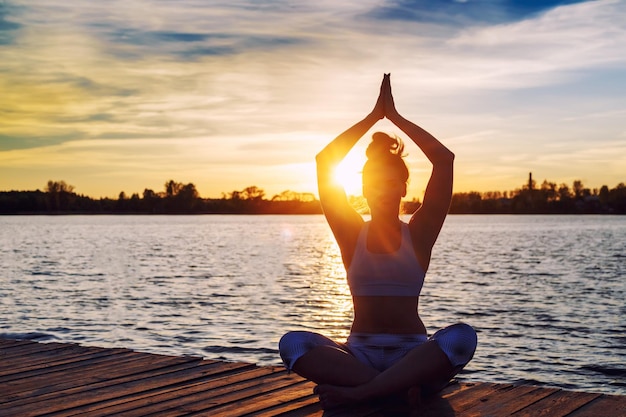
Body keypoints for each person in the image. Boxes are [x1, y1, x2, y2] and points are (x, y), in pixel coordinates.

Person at [278, 74, 477, 409]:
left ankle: (364, 392)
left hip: (413, 352)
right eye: (374, 183)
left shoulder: (418, 234)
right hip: (358, 354)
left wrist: (395, 117)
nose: (382, 190)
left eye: (390, 182)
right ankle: (400, 388)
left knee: (462, 337)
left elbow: (444, 160)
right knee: (292, 344)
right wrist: (373, 116)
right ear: (364, 189)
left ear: (403, 187)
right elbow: (325, 161)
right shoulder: (351, 233)